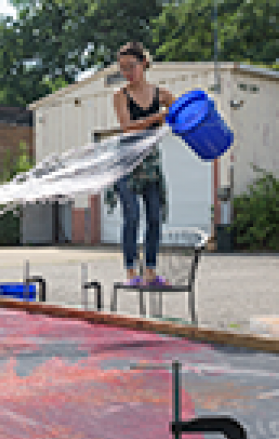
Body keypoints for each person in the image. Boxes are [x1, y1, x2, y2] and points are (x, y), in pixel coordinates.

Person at [104, 42, 175, 286]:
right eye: (122, 68)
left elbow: (181, 112)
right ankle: (131, 272)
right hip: (127, 164)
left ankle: (151, 272)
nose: (127, 72)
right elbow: (127, 127)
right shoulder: (120, 95)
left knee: (154, 217)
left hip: (151, 163)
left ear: (143, 63)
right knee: (132, 216)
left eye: (131, 66)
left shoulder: (161, 94)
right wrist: (158, 117)